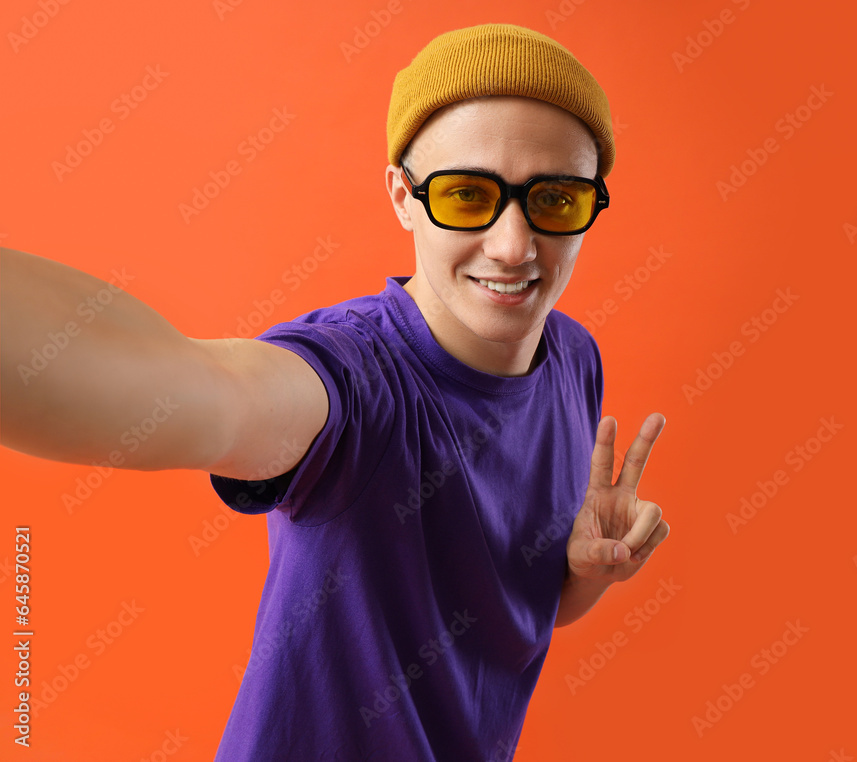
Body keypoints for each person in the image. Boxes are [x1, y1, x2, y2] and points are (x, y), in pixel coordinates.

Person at [0, 23, 670, 761]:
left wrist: (585, 574)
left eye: (554, 200)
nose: (513, 245)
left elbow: (508, 611)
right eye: (468, 194)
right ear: (402, 198)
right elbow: (206, 389)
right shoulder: (356, 381)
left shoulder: (573, 359)